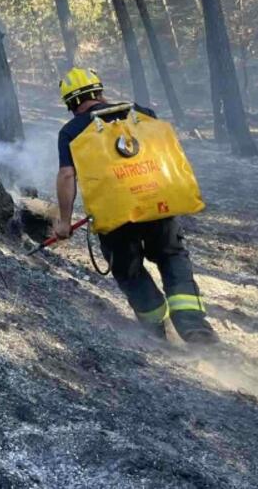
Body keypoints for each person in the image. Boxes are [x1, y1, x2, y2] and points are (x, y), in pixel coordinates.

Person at [53, 68, 217, 345]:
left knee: (129, 271)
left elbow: (68, 175)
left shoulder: (72, 131)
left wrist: (64, 222)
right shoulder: (141, 114)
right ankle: (193, 326)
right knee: (171, 256)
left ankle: (155, 332)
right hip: (157, 204)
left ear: (71, 103)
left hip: (116, 216)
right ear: (100, 91)